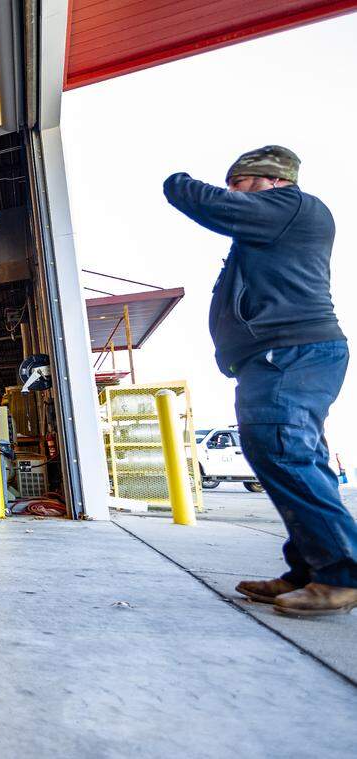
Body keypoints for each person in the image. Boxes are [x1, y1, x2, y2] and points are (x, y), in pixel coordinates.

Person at [164, 145, 356, 616]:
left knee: (279, 448)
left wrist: (176, 178)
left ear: (271, 179)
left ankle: (342, 574)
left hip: (290, 353)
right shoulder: (278, 220)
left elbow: (205, 202)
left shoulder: (290, 207)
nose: (234, 192)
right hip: (287, 354)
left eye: (241, 182)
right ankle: (311, 569)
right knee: (296, 456)